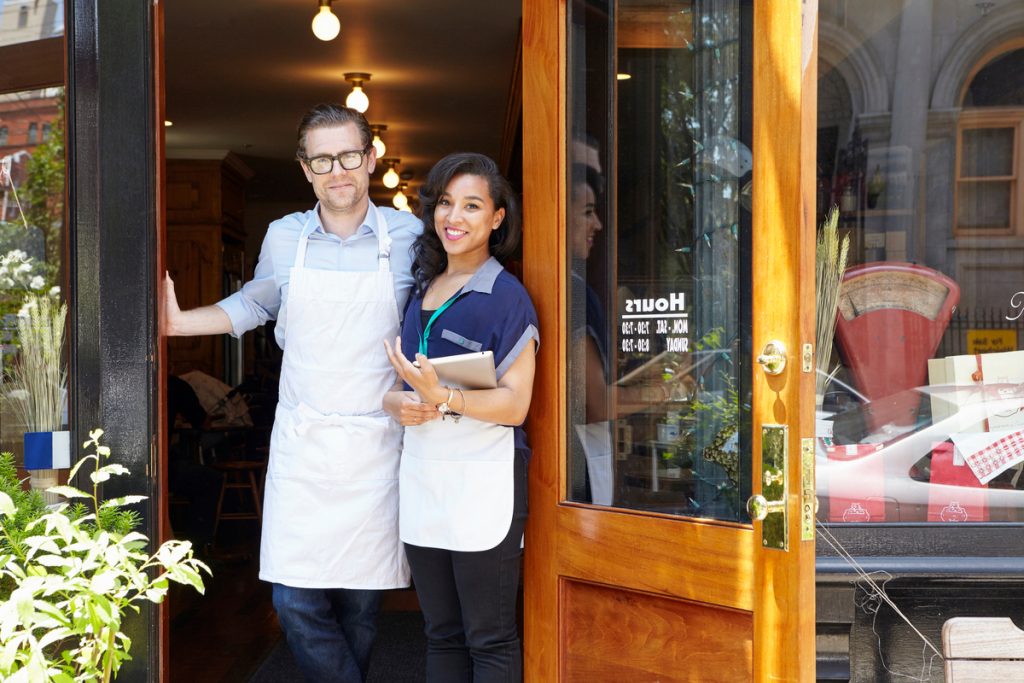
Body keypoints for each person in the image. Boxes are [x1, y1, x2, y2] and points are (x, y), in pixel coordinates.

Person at [164, 103, 422, 683]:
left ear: (371, 158)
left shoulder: (408, 236)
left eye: (350, 155)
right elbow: (255, 303)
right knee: (294, 602)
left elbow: (441, 308)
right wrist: (181, 322)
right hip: (304, 441)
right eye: (323, 159)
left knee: (361, 603)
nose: (339, 170)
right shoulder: (285, 237)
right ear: (305, 168)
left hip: (377, 443)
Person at [382, 152, 538, 682]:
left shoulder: (507, 298)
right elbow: (398, 388)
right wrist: (399, 403)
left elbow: (516, 404)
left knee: (489, 638)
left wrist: (446, 399)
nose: (455, 216)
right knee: (440, 634)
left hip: (485, 483)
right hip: (425, 478)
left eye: (472, 205)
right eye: (446, 202)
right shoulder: (420, 290)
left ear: (497, 219)